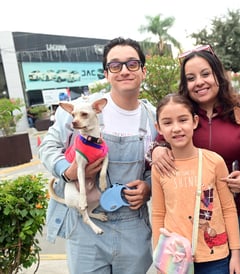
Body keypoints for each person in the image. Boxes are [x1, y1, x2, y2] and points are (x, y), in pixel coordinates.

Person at [149, 45, 240, 274]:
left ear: (218, 74)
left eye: (205, 74)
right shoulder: (182, 114)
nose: (199, 82)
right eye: (191, 78)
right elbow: (160, 145)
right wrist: (155, 150)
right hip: (197, 216)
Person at [39, 37, 156, 274]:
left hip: (132, 225)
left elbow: (160, 165)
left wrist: (148, 186)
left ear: (143, 71)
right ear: (106, 73)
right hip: (85, 228)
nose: (124, 70)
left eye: (132, 64)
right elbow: (47, 147)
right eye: (115, 65)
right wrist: (66, 170)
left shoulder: (154, 118)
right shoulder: (80, 110)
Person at [151, 93, 240, 274]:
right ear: (158, 128)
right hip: (175, 258)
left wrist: (236, 255)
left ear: (194, 122)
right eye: (168, 123)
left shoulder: (214, 161)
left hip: (215, 257)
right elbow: (158, 214)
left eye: (182, 120)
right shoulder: (159, 168)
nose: (176, 128)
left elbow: (228, 209)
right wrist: (159, 257)